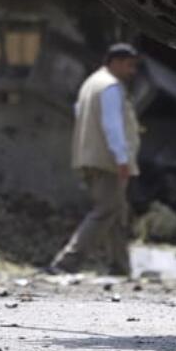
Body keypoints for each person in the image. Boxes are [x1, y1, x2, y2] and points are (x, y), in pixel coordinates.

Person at [50, 43, 142, 276]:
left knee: (118, 214)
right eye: (129, 65)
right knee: (106, 210)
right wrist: (121, 159)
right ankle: (67, 262)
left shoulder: (91, 83)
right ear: (115, 62)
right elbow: (112, 126)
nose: (131, 71)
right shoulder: (110, 87)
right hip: (107, 160)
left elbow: (79, 114)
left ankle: (120, 266)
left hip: (92, 157)